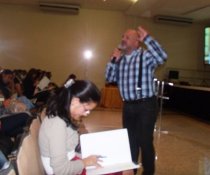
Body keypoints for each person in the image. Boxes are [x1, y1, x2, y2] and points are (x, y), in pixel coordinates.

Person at [105, 26, 168, 175]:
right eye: (122, 36)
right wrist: (113, 60)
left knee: (144, 141)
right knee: (130, 142)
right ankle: (130, 171)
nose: (123, 39)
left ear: (136, 42)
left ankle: (148, 172)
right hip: (128, 106)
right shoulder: (119, 60)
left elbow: (162, 56)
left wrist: (147, 38)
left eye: (127, 37)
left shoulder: (144, 56)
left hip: (146, 104)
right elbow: (109, 78)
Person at [38, 79, 102, 175]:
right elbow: (60, 170)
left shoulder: (63, 115)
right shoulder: (57, 125)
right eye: (86, 109)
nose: (87, 114)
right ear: (75, 101)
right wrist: (86, 162)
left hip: (70, 160)